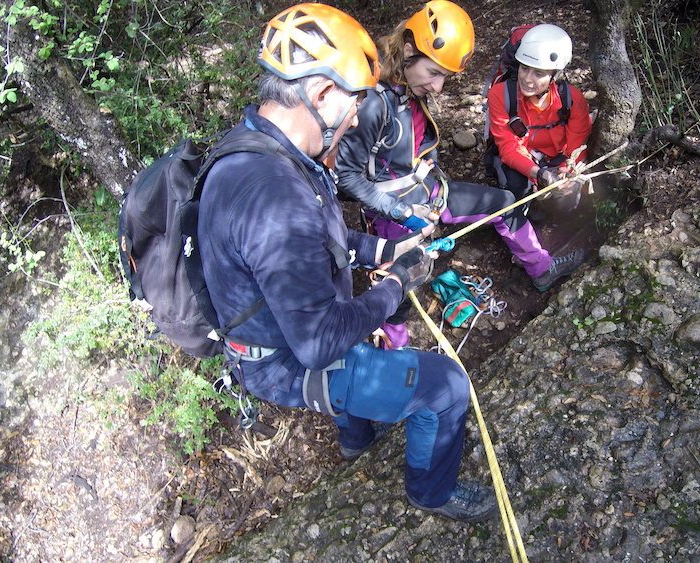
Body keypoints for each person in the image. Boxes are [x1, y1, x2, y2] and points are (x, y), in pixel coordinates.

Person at [198, 3, 495, 522]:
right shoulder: (275, 198)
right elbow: (319, 343)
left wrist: (385, 251)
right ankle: (431, 492)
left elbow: (323, 239)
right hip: (284, 360)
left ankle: (357, 439)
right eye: (354, 101)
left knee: (356, 338)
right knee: (447, 386)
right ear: (319, 94)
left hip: (278, 329)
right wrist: (396, 286)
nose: (358, 115)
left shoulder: (260, 147)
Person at [334, 0, 586, 350]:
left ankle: (542, 270)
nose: (438, 87)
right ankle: (394, 352)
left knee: (505, 203)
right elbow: (345, 175)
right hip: (395, 213)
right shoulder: (377, 103)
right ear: (408, 51)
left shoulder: (408, 90)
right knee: (399, 288)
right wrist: (398, 212)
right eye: (434, 73)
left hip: (431, 194)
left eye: (445, 77)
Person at [486, 23, 592, 218]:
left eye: (539, 73)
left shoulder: (572, 99)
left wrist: (566, 173)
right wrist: (538, 174)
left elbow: (576, 146)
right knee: (516, 191)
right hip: (523, 160)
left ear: (554, 76)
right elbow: (509, 147)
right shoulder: (501, 95)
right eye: (524, 69)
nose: (527, 79)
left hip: (555, 161)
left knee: (568, 201)